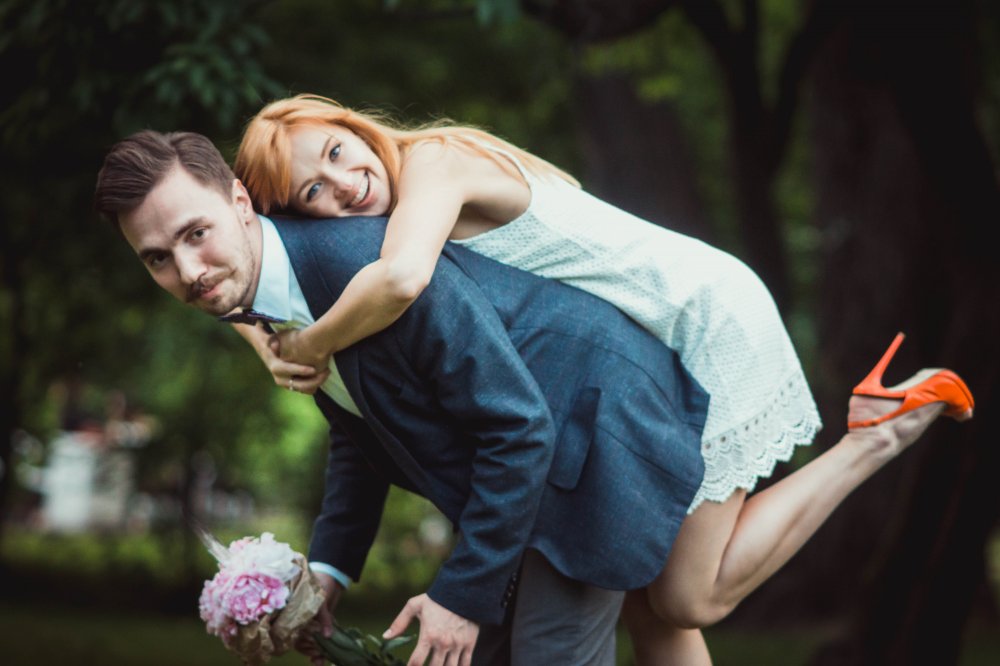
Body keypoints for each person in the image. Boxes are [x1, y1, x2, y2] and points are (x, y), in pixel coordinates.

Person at [230, 94, 976, 665]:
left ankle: (872, 437)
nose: (341, 185)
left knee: (688, 595)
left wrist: (306, 345)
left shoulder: (432, 164)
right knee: (651, 609)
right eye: (312, 196)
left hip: (706, 324)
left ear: (358, 126)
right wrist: (256, 337)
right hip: (662, 343)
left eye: (334, 151)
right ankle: (876, 426)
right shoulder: (402, 198)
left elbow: (396, 281)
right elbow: (232, 266)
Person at [94, 130, 713, 666]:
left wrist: (461, 596)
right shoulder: (275, 298)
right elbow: (361, 426)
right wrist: (327, 574)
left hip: (594, 441)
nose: (189, 269)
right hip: (522, 477)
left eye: (196, 233)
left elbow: (520, 427)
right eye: (158, 259)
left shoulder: (362, 267)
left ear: (238, 201)